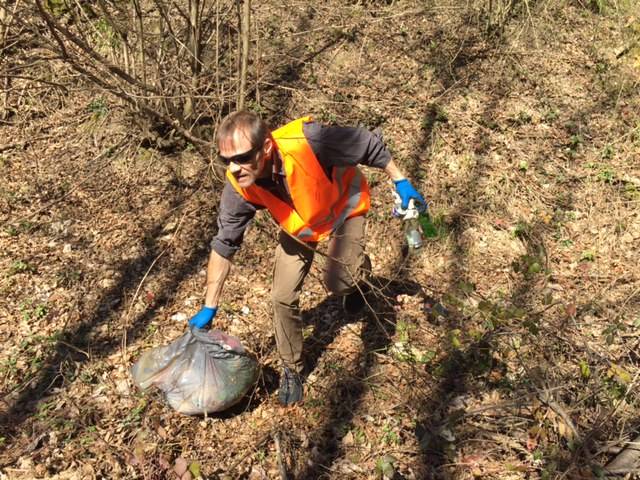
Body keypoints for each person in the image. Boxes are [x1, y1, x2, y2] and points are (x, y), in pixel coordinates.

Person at [189, 111, 426, 406]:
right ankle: (293, 368)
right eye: (227, 160)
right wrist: (210, 305)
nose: (234, 168)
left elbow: (366, 143)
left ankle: (358, 280)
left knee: (339, 282)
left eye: (242, 157)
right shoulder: (237, 186)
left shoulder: (308, 142)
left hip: (343, 208)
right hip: (301, 226)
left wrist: (401, 182)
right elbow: (224, 243)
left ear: (266, 147)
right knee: (281, 296)